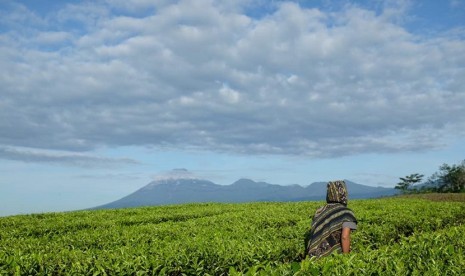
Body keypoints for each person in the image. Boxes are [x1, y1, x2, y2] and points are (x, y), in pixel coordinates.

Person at [305, 180, 357, 258]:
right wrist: (346, 258)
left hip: (312, 257)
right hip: (332, 258)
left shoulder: (319, 211)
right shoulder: (348, 213)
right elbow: (345, 237)